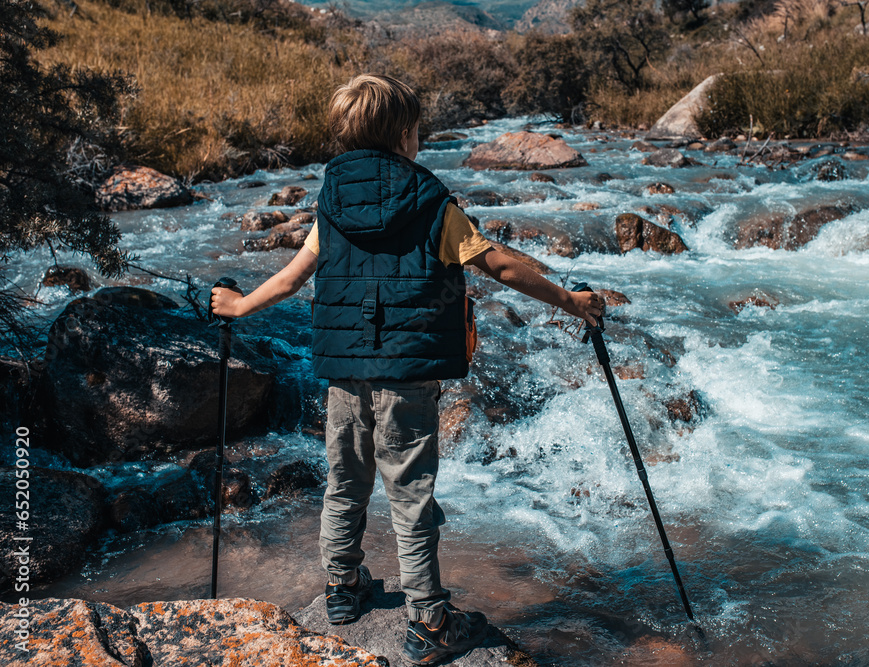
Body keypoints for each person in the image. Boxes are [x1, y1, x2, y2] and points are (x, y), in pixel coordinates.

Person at [211, 73, 603, 665]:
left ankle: (341, 589)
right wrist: (570, 301)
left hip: (344, 369)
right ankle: (429, 619)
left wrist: (238, 306)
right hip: (407, 369)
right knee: (411, 493)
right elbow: (496, 266)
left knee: (344, 482)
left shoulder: (332, 198)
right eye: (417, 128)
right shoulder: (429, 199)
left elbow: (294, 277)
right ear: (403, 134)